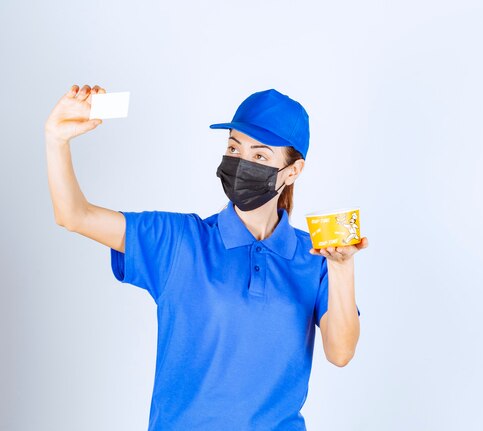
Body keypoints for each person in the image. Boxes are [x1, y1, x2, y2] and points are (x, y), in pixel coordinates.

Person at [44, 85, 368, 431]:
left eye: (260, 156)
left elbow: (341, 352)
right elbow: (74, 215)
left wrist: (341, 266)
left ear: (292, 171)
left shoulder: (313, 258)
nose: (241, 163)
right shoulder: (179, 241)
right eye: (233, 148)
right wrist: (55, 140)